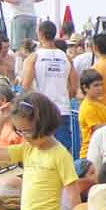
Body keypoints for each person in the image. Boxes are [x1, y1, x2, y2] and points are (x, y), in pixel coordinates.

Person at [22, 21, 77, 151]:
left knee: (43, 152)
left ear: (40, 34)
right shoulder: (66, 57)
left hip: (42, 111)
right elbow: (74, 88)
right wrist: (64, 99)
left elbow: (25, 87)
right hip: (62, 111)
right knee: (63, 152)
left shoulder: (34, 57)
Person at [78, 69, 106, 158]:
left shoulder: (100, 104)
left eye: (101, 85)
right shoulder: (87, 107)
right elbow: (98, 128)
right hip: (90, 154)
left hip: (102, 150)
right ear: (85, 88)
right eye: (96, 85)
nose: (100, 88)